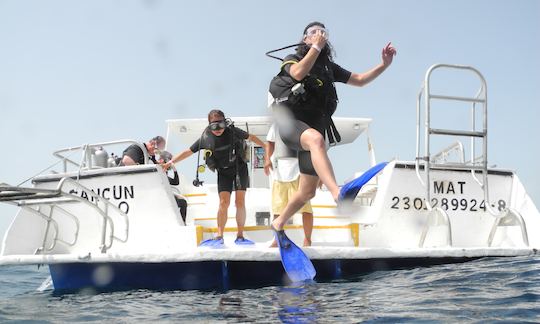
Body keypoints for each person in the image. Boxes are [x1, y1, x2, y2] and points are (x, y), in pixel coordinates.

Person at [269, 21, 396, 232]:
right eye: (313, 32)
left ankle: (278, 223)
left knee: (307, 192)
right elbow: (298, 73)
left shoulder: (328, 67)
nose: (318, 34)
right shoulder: (293, 58)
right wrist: (315, 48)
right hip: (292, 125)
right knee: (317, 140)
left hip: (312, 129)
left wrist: (384, 64)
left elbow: (360, 79)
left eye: (322, 32)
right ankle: (338, 194)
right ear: (304, 39)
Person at [163, 109, 266, 245]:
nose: (217, 129)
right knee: (224, 203)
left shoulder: (233, 131)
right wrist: (171, 162)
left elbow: (251, 137)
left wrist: (266, 147)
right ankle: (219, 235)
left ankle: (240, 235)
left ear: (225, 122)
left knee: (239, 202)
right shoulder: (206, 138)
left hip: (238, 169)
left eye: (220, 125)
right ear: (209, 125)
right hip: (223, 172)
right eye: (213, 126)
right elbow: (188, 151)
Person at [264, 124, 313, 247]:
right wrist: (267, 160)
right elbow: (270, 143)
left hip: (299, 171)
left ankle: (307, 239)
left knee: (306, 209)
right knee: (277, 210)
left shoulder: (303, 125)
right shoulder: (276, 126)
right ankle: (277, 240)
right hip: (279, 172)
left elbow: (313, 148)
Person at [159, 150, 188, 223]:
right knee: (182, 202)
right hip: (160, 196)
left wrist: (174, 170)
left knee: (183, 202)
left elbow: (176, 182)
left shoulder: (164, 172)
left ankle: (182, 222)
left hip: (166, 195)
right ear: (162, 160)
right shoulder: (158, 169)